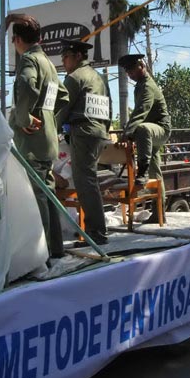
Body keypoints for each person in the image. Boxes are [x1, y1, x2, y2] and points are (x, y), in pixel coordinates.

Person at [9, 15, 69, 258]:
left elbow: (26, 84)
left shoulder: (29, 60)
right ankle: (56, 249)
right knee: (48, 194)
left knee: (37, 198)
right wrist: (46, 116)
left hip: (32, 142)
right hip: (48, 139)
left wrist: (25, 118)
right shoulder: (49, 64)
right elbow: (63, 96)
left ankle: (42, 254)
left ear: (17, 39)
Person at [57, 39, 111, 246]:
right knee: (89, 181)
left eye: (66, 57)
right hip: (98, 132)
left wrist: (49, 132)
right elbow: (109, 107)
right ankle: (97, 230)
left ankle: (96, 233)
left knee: (85, 183)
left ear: (78, 56)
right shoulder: (99, 78)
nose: (63, 61)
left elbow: (60, 110)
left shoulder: (74, 78)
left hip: (82, 132)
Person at [117, 54, 171, 224]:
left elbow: (141, 111)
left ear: (142, 66)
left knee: (142, 128)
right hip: (148, 135)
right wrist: (126, 133)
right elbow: (136, 113)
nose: (130, 74)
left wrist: (128, 134)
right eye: (127, 72)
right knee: (157, 174)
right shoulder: (139, 86)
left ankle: (142, 171)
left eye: (132, 70)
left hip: (160, 129)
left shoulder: (148, 86)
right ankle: (159, 213)